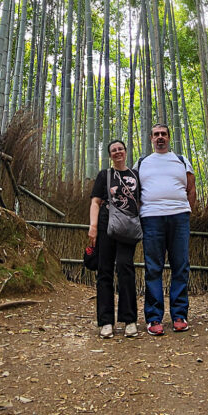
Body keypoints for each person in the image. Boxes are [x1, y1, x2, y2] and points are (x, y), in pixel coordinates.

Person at [137, 123, 196, 336]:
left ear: (169, 137)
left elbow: (191, 188)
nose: (160, 137)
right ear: (151, 138)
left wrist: (187, 212)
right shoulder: (142, 162)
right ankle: (154, 317)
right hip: (151, 218)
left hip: (179, 217)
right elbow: (135, 192)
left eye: (163, 134)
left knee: (180, 265)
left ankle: (179, 315)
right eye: (156, 134)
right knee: (153, 267)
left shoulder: (181, 160)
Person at [88, 140, 140, 339]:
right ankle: (106, 321)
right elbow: (95, 202)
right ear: (110, 155)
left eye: (120, 149)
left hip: (127, 227)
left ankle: (129, 320)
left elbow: (141, 201)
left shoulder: (135, 175)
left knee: (126, 268)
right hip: (105, 226)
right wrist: (93, 227)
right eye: (113, 150)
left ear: (126, 152)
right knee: (105, 271)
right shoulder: (105, 175)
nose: (118, 152)